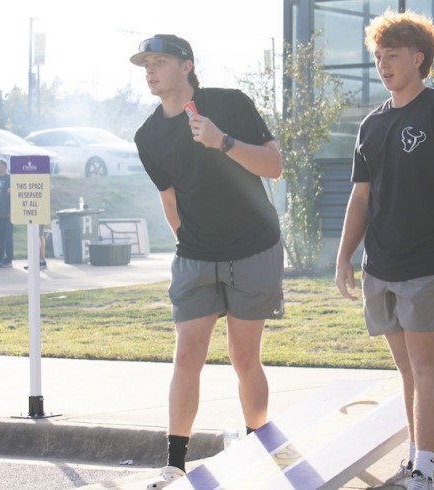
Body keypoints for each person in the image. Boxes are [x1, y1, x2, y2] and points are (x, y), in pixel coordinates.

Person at [130, 34, 285, 489]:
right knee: (187, 355)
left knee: (243, 356)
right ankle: (175, 464)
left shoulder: (231, 104)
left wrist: (223, 141)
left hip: (253, 245)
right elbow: (169, 199)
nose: (150, 71)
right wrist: (191, 244)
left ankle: (261, 444)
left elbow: (273, 166)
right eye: (145, 64)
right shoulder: (148, 135)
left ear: (186, 66)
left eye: (159, 61)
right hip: (196, 254)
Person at [334, 10, 434, 490]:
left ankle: (425, 464)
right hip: (381, 266)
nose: (382, 64)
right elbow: (361, 197)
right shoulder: (371, 124)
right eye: (378, 56)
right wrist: (344, 257)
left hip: (428, 263)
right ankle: (423, 462)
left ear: (419, 58)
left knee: (424, 365)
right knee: (405, 372)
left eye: (391, 56)